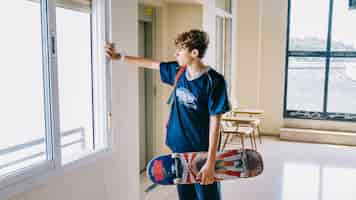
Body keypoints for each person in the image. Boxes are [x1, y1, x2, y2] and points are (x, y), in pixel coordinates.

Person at [105, 29, 230, 200]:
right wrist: (119, 57)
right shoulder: (178, 71)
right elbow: (152, 64)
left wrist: (210, 160)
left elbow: (215, 123)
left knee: (208, 197)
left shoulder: (214, 81)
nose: (176, 53)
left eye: (180, 50)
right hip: (178, 151)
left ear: (194, 53)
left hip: (201, 153)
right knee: (185, 197)